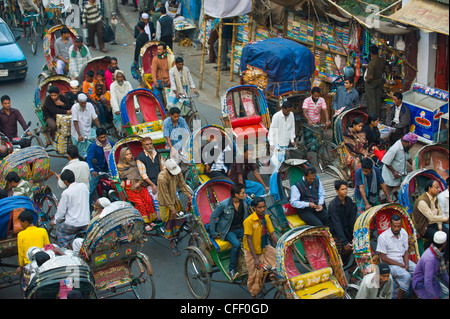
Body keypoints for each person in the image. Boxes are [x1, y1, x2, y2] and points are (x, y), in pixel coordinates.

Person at [209, 183, 250, 279]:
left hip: (240, 228)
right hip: (228, 230)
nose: (245, 194)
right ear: (236, 194)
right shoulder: (224, 204)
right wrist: (213, 233)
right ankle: (232, 269)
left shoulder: (243, 203)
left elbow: (246, 218)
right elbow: (213, 217)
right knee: (236, 244)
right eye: (243, 193)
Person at [243, 197, 278, 298]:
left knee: (279, 262)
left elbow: (272, 235)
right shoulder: (248, 221)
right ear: (254, 208)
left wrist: (280, 248)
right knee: (254, 277)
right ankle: (254, 296)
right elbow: (249, 240)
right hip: (252, 251)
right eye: (259, 207)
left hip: (263, 247)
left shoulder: (266, 218)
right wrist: (255, 259)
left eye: (264, 207)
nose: (262, 209)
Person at [157, 158, 192, 256]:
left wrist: (189, 196)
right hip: (165, 202)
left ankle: (177, 234)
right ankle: (172, 244)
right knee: (170, 223)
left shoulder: (178, 172)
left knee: (180, 217)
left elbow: (182, 185)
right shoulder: (162, 178)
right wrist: (172, 208)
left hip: (175, 198)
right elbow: (165, 195)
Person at [376, 214, 416, 299]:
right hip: (390, 264)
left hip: (402, 259)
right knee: (406, 276)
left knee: (418, 270)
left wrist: (406, 265)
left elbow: (405, 251)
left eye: (399, 226)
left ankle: (415, 294)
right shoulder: (383, 237)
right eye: (395, 226)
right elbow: (383, 258)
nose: (397, 229)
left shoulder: (404, 232)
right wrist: (400, 265)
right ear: (390, 225)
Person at [117, 147, 157, 231]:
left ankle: (151, 220)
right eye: (127, 154)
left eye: (130, 154)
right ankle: (144, 223)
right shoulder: (120, 166)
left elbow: (140, 175)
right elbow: (122, 177)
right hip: (130, 189)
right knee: (140, 203)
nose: (129, 156)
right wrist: (123, 181)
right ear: (122, 156)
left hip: (139, 186)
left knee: (148, 200)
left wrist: (139, 183)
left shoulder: (135, 163)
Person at [412, 180, 449, 262]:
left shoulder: (436, 198)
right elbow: (431, 217)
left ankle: (446, 259)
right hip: (425, 227)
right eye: (436, 188)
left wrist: (440, 228)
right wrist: (446, 219)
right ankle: (437, 260)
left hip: (434, 224)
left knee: (447, 234)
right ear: (430, 188)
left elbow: (439, 213)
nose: (439, 189)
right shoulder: (422, 201)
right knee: (438, 238)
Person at [52, 169, 90, 248]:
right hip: (86, 222)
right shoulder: (83, 186)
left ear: (65, 181)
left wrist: (55, 221)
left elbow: (61, 211)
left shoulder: (66, 193)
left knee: (60, 231)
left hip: (72, 224)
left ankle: (67, 251)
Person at [412, 231, 449, 299]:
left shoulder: (438, 254)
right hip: (421, 285)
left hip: (433, 281)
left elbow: (443, 274)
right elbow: (427, 282)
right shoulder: (430, 258)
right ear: (444, 244)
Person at [381, 132, 417, 198]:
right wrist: (394, 171)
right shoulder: (395, 148)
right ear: (406, 142)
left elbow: (408, 157)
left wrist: (415, 166)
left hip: (400, 174)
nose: (411, 147)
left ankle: (395, 196)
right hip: (390, 175)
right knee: (386, 193)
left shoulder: (405, 147)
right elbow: (386, 161)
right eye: (411, 145)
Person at [328, 180, 357, 260]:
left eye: (346, 189)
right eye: (342, 189)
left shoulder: (349, 200)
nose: (345, 191)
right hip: (336, 233)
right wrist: (344, 241)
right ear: (337, 191)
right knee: (339, 254)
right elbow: (336, 224)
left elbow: (352, 219)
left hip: (347, 230)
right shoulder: (333, 205)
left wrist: (354, 235)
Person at [86, 127, 114, 203]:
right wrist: (92, 170)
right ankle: (89, 207)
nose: (103, 139)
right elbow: (89, 159)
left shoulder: (110, 144)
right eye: (101, 138)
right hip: (97, 171)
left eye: (104, 137)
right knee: (91, 189)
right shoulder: (93, 147)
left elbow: (114, 155)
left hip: (108, 170)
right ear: (97, 137)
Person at [268, 99, 296, 168]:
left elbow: (292, 127)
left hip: (285, 142)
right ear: (283, 109)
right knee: (276, 163)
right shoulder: (276, 116)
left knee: (282, 162)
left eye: (290, 110)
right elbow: (272, 130)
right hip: (277, 142)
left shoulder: (291, 115)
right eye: (287, 111)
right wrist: (271, 143)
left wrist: (292, 140)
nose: (289, 112)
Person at [365, 45, 386, 117]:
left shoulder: (372, 62)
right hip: (379, 82)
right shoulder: (382, 61)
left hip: (372, 83)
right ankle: (377, 116)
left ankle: (372, 117)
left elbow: (370, 76)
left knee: (372, 102)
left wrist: (366, 81)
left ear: (371, 53)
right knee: (378, 100)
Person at [110, 70, 133, 134]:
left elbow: (132, 95)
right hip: (118, 107)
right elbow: (113, 98)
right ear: (115, 78)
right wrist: (116, 109)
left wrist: (136, 106)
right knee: (119, 122)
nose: (120, 79)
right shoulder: (113, 85)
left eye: (121, 77)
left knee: (130, 120)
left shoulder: (127, 84)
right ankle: (120, 132)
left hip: (127, 106)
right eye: (118, 77)